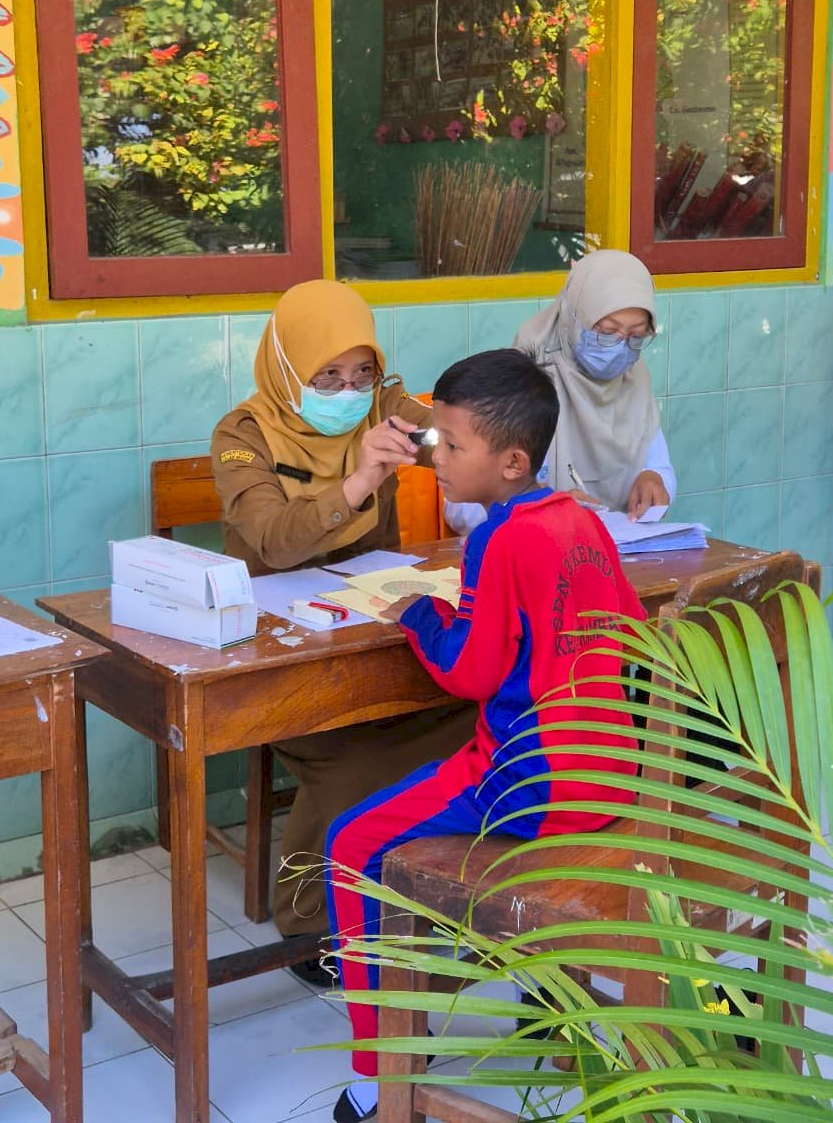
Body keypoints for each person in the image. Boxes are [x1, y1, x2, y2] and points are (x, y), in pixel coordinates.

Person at [323, 348, 644, 1123]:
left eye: (452, 445)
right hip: (611, 771)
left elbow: (468, 672)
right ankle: (538, 990)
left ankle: (378, 1073)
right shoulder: (581, 520)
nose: (436, 458)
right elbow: (630, 627)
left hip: (531, 783)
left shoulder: (495, 541)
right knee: (416, 795)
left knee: (350, 843)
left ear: (511, 462)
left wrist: (418, 613)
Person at [211, 280, 477, 973]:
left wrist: (458, 446)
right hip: (281, 652)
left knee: (484, 704)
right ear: (286, 366)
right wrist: (359, 480)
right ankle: (308, 925)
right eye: (327, 375)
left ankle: (432, 878)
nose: (349, 390)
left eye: (362, 372)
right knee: (350, 758)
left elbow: (451, 438)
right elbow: (272, 541)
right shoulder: (243, 434)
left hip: (374, 631)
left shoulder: (383, 406)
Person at [444, 250, 675, 535]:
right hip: (528, 551)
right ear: (573, 320)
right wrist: (544, 507)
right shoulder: (527, 379)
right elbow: (461, 509)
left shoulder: (633, 377)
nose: (619, 349)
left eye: (636, 336)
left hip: (613, 549)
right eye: (606, 333)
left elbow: (658, 464)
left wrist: (654, 479)